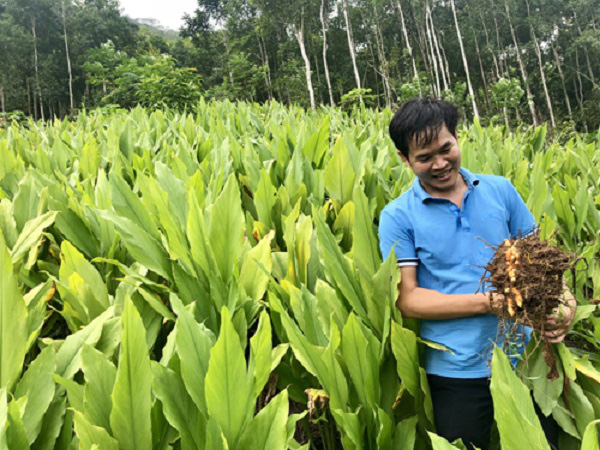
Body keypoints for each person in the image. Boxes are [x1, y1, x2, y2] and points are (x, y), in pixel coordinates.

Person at [378, 98, 575, 449]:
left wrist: (566, 303)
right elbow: (408, 299)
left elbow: (544, 262)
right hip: (457, 368)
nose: (440, 164)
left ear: (457, 137)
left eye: (445, 148)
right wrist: (489, 303)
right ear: (404, 159)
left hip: (525, 358)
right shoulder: (397, 217)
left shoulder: (500, 190)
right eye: (424, 158)